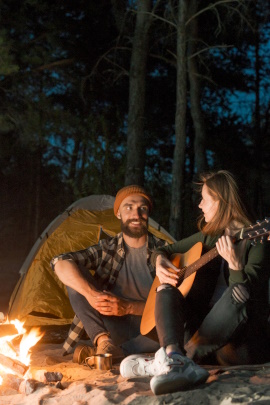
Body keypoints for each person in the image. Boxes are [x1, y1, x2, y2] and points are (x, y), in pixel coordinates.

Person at [120, 170, 270, 395]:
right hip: (202, 335)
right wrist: (159, 261)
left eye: (204, 199)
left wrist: (236, 267)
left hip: (238, 343)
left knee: (239, 291)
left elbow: (249, 301)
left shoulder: (257, 242)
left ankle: (174, 360)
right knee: (165, 287)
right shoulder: (211, 236)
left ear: (220, 201)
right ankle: (173, 355)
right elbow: (164, 249)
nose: (200, 205)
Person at [51, 185, 168, 364]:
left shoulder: (164, 251)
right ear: (118, 213)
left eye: (142, 208)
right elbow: (59, 261)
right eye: (128, 207)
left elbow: (172, 303)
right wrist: (92, 295)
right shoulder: (108, 249)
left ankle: (115, 353)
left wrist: (127, 307)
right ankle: (104, 344)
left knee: (180, 318)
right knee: (74, 274)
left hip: (151, 332)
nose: (136, 215)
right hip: (110, 330)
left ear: (148, 214)